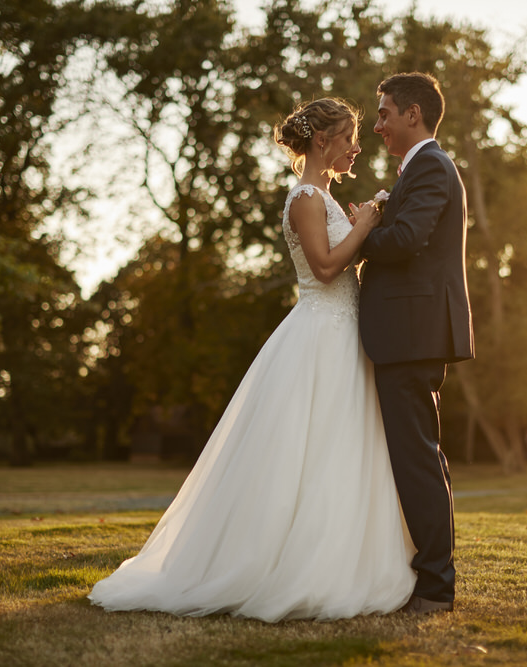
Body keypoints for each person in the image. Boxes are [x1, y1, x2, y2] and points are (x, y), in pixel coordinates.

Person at [88, 98, 417, 622]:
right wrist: (368, 224)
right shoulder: (305, 198)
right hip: (318, 338)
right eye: (350, 137)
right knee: (307, 450)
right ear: (321, 142)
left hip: (345, 335)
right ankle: (286, 566)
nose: (357, 147)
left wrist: (358, 224)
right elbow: (327, 268)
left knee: (340, 448)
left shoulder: (328, 198)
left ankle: (339, 556)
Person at [358, 72, 475, 614]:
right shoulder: (417, 169)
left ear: (413, 114)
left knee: (417, 460)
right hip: (407, 334)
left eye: (384, 113)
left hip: (412, 334)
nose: (378, 125)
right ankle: (427, 577)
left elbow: (406, 240)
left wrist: (357, 236)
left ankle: (434, 586)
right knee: (418, 457)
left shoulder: (431, 164)